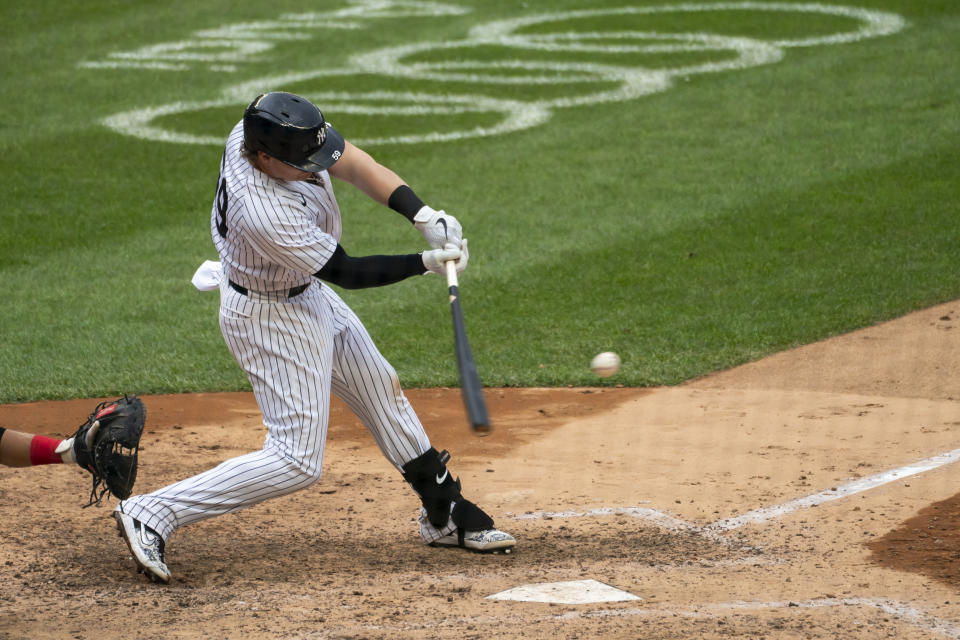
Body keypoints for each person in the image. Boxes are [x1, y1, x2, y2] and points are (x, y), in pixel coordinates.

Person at [114, 91, 515, 584]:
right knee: (297, 460)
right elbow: (345, 270)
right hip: (269, 318)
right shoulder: (263, 211)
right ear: (264, 159)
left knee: (378, 385)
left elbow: (356, 165)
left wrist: (423, 215)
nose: (316, 168)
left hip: (302, 292)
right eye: (303, 163)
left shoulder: (258, 134)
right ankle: (153, 512)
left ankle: (444, 512)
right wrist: (424, 264)